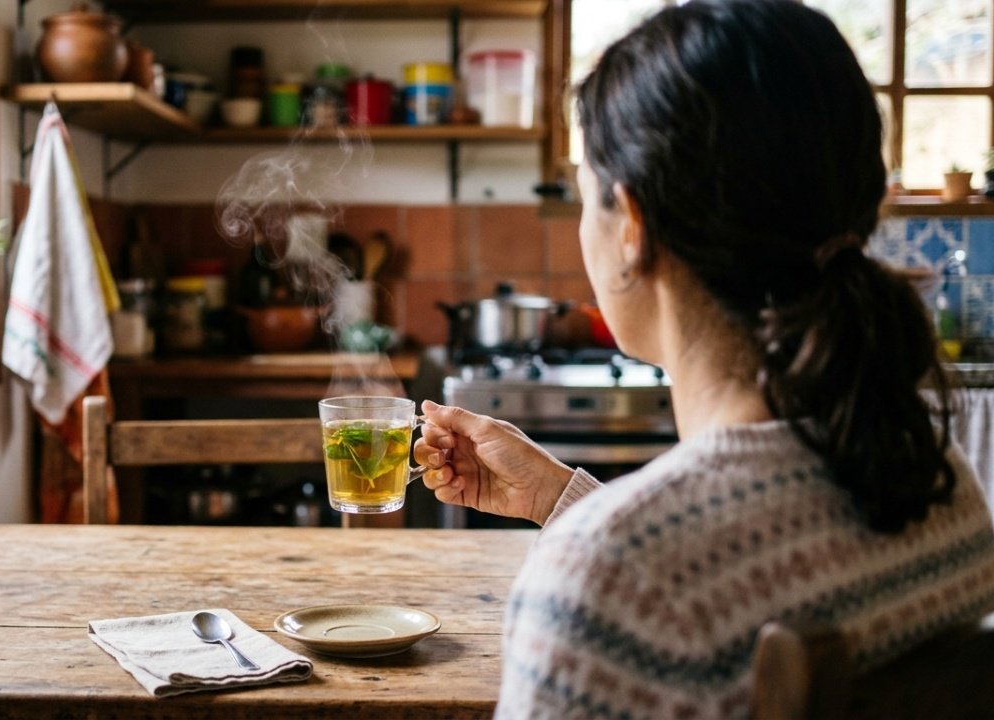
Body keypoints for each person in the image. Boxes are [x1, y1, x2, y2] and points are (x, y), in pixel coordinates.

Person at [413, 1, 994, 717]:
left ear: (631, 225)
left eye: (587, 195)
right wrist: (559, 500)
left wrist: (598, 539)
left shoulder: (606, 580)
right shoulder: (938, 479)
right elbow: (755, 570)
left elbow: (669, 582)